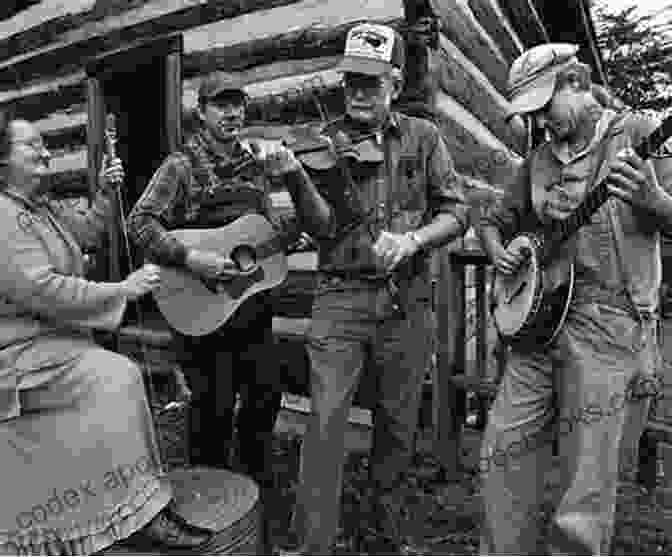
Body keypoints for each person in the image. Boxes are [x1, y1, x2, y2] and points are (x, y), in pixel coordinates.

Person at [275, 22, 470, 554]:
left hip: (407, 300)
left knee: (398, 425)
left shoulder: (424, 138)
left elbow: (457, 212)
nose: (358, 93)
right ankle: (314, 543)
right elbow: (318, 225)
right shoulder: (324, 144)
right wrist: (294, 176)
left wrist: (412, 242)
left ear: (396, 81)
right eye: (351, 82)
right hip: (340, 297)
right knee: (325, 421)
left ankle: (389, 534)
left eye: (371, 82)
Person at [477, 43, 672, 555]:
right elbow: (495, 219)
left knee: (583, 491)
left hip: (610, 329)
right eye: (531, 112)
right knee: (501, 452)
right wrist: (500, 252)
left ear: (578, 83)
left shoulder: (640, 134)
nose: (540, 120)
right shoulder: (538, 158)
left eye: (546, 105)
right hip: (539, 323)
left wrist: (655, 203)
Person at [0, 113, 213, 555]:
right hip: (17, 353)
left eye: (45, 144)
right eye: (32, 146)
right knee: (115, 377)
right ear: (2, 160)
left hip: (55, 344)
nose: (46, 151)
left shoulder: (38, 208)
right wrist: (122, 289)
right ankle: (134, 517)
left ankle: (136, 506)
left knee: (117, 374)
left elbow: (92, 233)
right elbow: (42, 289)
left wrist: (104, 191)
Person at [127, 71, 307, 550]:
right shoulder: (181, 166)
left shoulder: (255, 164)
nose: (232, 114)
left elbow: (258, 229)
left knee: (266, 395)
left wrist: (285, 236)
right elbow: (139, 221)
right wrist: (190, 257)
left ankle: (248, 489)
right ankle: (208, 508)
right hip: (200, 310)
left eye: (238, 105)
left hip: (249, 307)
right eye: (221, 105)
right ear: (201, 112)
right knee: (212, 408)